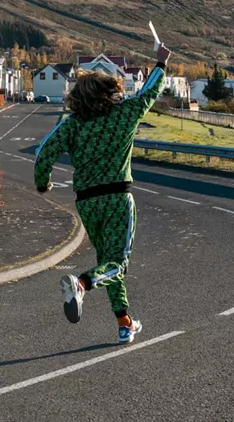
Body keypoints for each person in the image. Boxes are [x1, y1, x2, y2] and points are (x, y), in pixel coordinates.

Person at [34, 44, 171, 344]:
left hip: (87, 202)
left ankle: (125, 323)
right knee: (117, 264)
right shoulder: (124, 115)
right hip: (117, 199)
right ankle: (81, 284)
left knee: (107, 263)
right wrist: (160, 64)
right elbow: (148, 94)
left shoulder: (72, 125)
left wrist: (42, 184)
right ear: (108, 92)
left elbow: (44, 153)